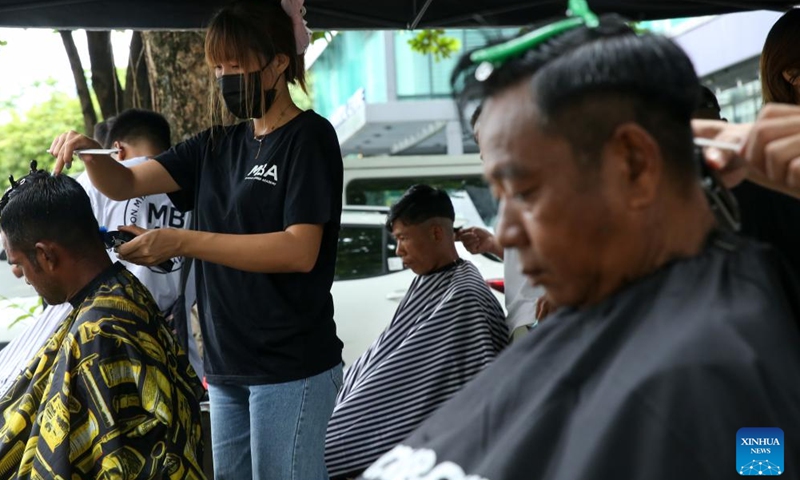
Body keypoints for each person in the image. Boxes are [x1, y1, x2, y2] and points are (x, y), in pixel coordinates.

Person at [359, 14, 800, 480]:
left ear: (633, 163)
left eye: (525, 192)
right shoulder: (595, 325)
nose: (506, 234)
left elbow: (760, 463)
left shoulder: (733, 366)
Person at [48, 1, 344, 478]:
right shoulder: (214, 146)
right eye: (218, 67)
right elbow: (124, 183)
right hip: (227, 367)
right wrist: (91, 153)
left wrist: (182, 241)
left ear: (279, 62)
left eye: (236, 64)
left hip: (293, 366)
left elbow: (298, 250)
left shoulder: (309, 138)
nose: (225, 77)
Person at [0, 170, 204, 478]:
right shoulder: (124, 295)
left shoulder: (100, 330)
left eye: (18, 264)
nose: (24, 278)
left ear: (45, 255)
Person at [325, 185, 508, 479]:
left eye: (403, 239)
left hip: (428, 433)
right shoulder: (432, 282)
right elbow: (387, 353)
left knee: (322, 445)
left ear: (437, 233)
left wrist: (352, 412)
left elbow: (412, 378)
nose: (399, 251)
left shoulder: (464, 296)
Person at [458, 104, 546, 330]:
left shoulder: (548, 184)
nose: (481, 153)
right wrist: (494, 245)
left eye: (484, 139)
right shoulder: (514, 188)